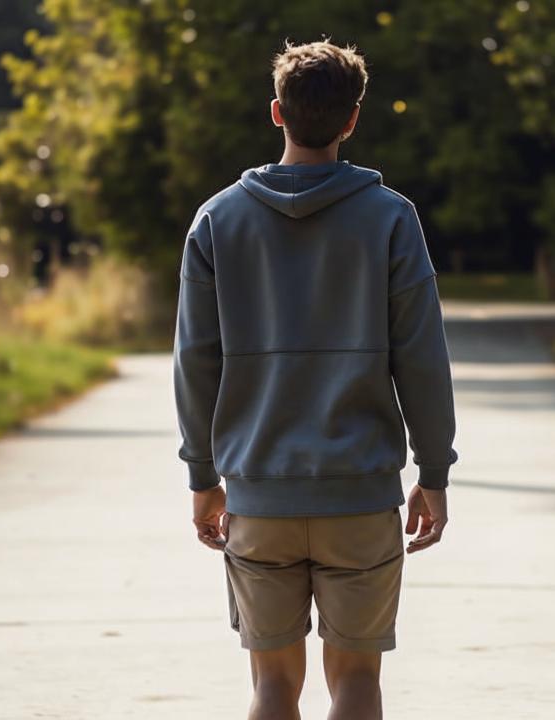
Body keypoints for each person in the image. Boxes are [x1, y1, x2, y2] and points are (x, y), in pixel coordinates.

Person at [171, 38, 458, 720]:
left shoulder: (217, 220)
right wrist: (435, 473)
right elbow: (422, 357)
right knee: (357, 681)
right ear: (352, 120)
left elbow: (195, 361)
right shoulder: (391, 217)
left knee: (271, 688)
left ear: (277, 113)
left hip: (259, 498)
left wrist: (202, 476)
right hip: (358, 500)